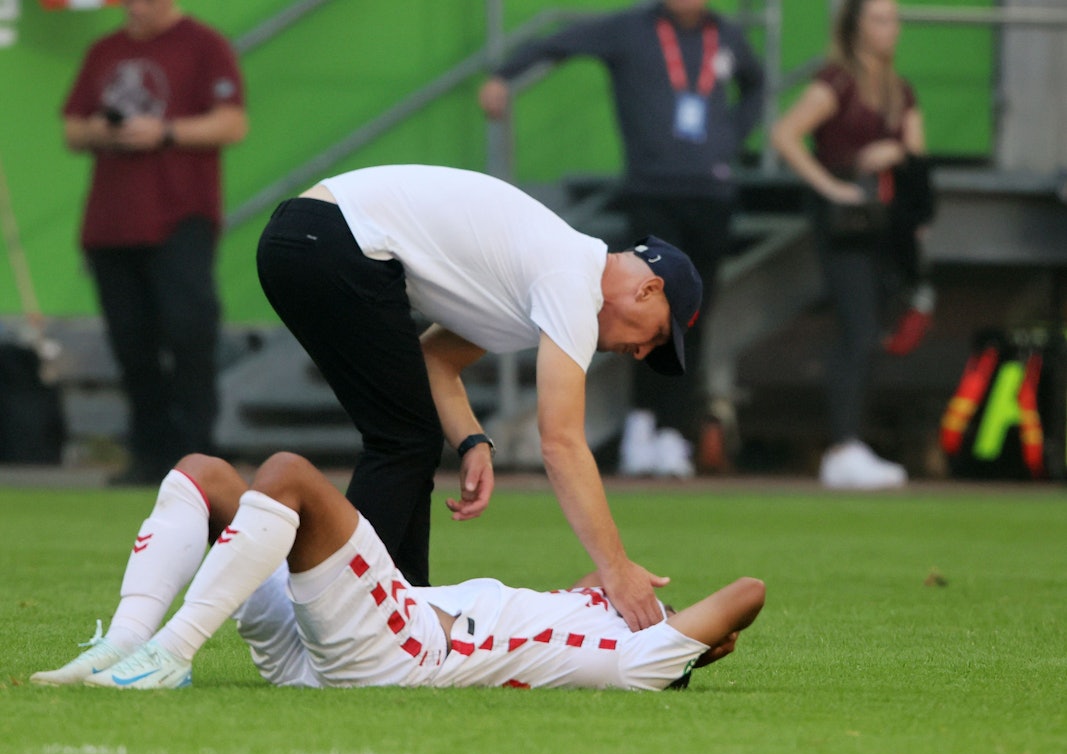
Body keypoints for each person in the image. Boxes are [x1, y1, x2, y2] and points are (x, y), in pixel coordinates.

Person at [256, 164, 703, 632]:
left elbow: (435, 360)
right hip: (329, 240)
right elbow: (561, 443)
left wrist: (471, 440)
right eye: (656, 336)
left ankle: (403, 613)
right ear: (648, 289)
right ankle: (342, 618)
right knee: (404, 439)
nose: (642, 353)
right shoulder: (572, 280)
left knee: (409, 438)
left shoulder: (545, 273)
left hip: (307, 237)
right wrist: (616, 569)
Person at [31, 451, 766, 691]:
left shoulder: (647, 661)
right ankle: (126, 641)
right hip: (331, 646)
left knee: (287, 475)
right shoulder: (600, 621)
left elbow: (747, 593)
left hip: (402, 650)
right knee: (204, 476)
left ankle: (168, 653)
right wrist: (604, 587)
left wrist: (693, 632)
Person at [479, 0, 765, 477]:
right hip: (652, 192)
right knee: (639, 314)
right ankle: (642, 425)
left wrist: (729, 138)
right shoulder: (631, 30)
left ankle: (674, 431)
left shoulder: (728, 36)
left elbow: (755, 85)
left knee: (692, 318)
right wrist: (502, 74)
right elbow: (559, 41)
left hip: (712, 195)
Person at [61, 0, 248, 486]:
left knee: (190, 332)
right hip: (111, 222)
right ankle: (149, 454)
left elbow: (232, 122)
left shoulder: (204, 44)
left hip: (179, 215)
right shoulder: (105, 49)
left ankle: (199, 456)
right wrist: (103, 129)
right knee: (131, 343)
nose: (134, 7)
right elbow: (73, 128)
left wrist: (164, 132)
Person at [770, 0, 933, 490]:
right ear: (856, 26)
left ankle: (851, 443)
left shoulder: (898, 91)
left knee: (873, 329)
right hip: (845, 223)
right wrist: (832, 185)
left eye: (895, 19)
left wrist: (898, 158)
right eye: (880, 19)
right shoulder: (837, 82)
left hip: (884, 227)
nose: (891, 29)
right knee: (857, 328)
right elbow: (785, 134)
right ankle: (843, 446)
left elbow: (918, 158)